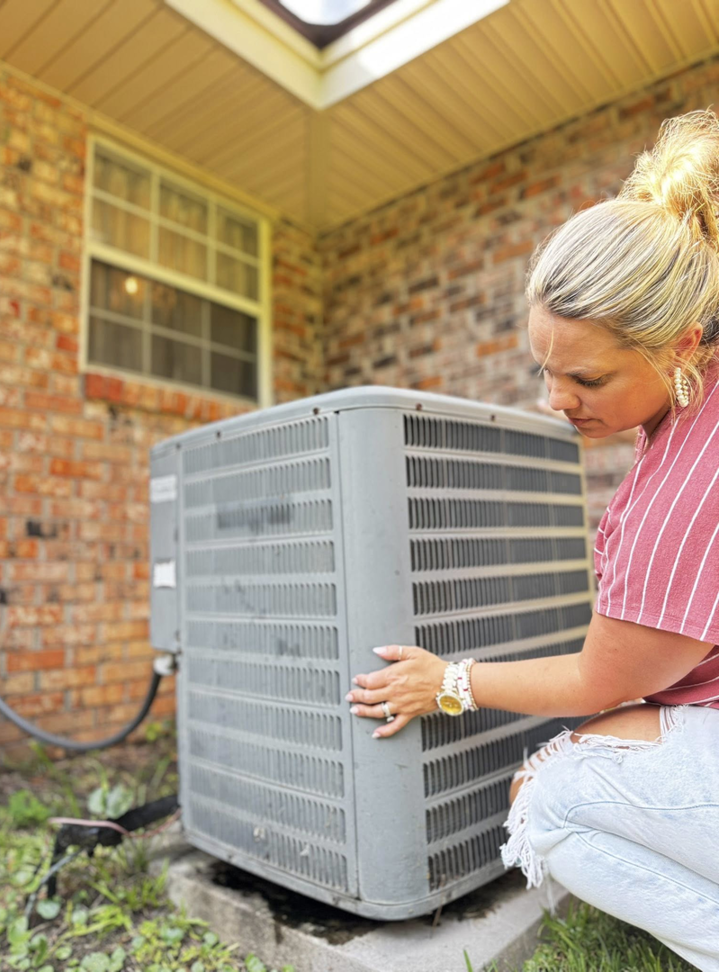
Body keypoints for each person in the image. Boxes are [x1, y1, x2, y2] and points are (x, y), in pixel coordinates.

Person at [346, 109, 719, 971]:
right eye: (543, 368)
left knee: (544, 798)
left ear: (680, 346)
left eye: (586, 377)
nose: (556, 398)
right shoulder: (689, 409)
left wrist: (450, 683)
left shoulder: (689, 487)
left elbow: (599, 678)